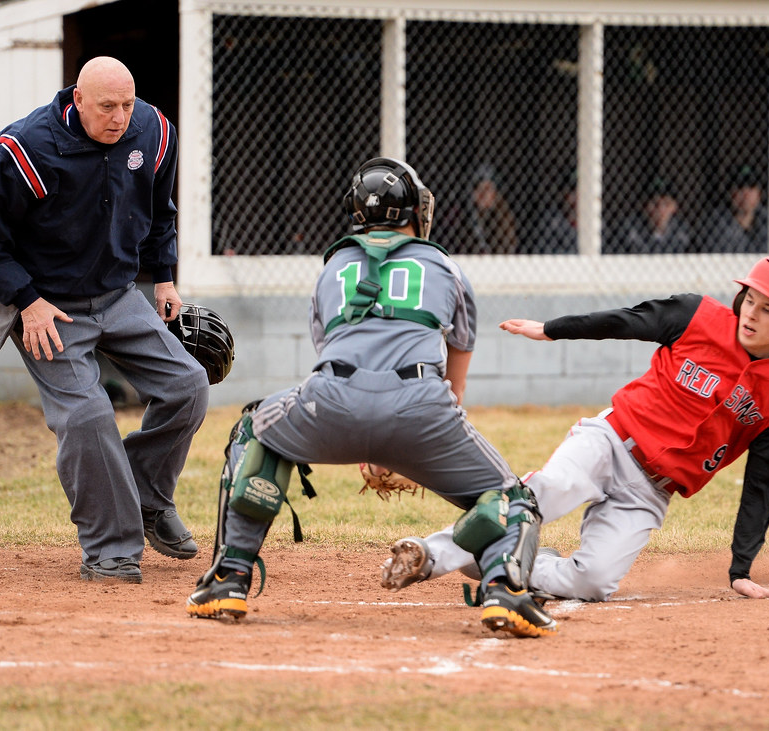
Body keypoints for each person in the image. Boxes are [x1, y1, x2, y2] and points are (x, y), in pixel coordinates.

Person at [185, 157, 556, 638]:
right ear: (412, 213)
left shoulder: (333, 266)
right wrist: (397, 446)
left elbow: (333, 360)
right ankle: (505, 588)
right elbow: (454, 389)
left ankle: (227, 578)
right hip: (422, 409)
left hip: (331, 401)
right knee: (512, 499)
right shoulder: (445, 266)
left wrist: (367, 439)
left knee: (253, 429)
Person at [381, 255, 769, 602]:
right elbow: (623, 320)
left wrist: (740, 569)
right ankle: (429, 555)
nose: (752, 314)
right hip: (609, 442)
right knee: (544, 493)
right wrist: (551, 330)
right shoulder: (696, 316)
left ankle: (499, 558)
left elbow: (762, 487)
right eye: (751, 300)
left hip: (651, 492)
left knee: (592, 583)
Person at [0, 56, 210, 584]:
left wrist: (163, 278)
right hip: (47, 306)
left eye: (127, 104)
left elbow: (160, 211)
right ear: (77, 100)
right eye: (106, 107)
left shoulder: (155, 130)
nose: (120, 117)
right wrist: (26, 302)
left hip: (118, 295)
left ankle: (146, 500)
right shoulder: (22, 149)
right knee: (88, 417)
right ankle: (111, 550)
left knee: (187, 385)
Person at [610, 176, 692, 254]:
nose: (660, 209)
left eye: (666, 204)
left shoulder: (684, 233)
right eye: (654, 203)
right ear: (643, 206)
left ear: (674, 207)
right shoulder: (627, 231)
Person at [452, 164, 520, 254]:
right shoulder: (460, 215)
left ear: (495, 193)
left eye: (487, 188)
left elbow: (507, 247)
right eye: (478, 188)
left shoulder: (503, 215)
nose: (483, 194)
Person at [700, 164, 768, 253]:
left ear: (759, 194)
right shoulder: (716, 222)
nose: (745, 194)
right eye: (740, 187)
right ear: (731, 193)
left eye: (751, 187)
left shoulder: (768, 221)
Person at [528, 169, 579, 254]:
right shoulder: (550, 219)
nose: (576, 196)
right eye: (572, 191)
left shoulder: (597, 223)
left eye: (581, 191)